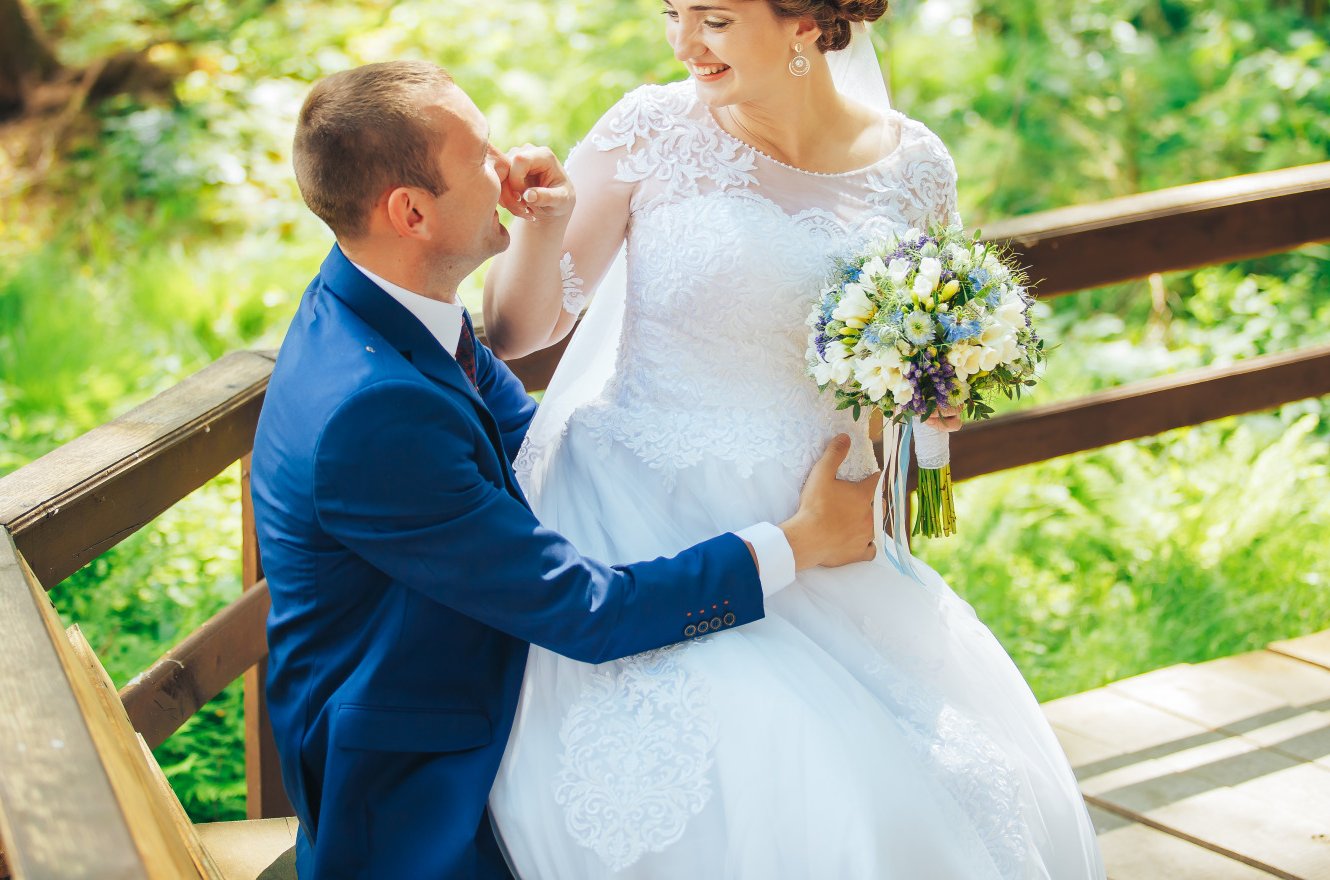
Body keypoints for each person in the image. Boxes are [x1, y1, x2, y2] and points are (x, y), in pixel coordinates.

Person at [482, 0, 1106, 879]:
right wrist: (541, 230)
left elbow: (919, 367)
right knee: (780, 764)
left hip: (827, 521)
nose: (684, 44)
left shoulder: (915, 167)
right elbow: (513, 334)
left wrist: (919, 450)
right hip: (642, 511)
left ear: (806, 23)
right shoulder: (651, 129)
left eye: (714, 19)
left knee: (934, 788)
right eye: (672, 12)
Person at [249, 58, 882, 880]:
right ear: (410, 212)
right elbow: (589, 615)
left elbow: (528, 435)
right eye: (479, 157)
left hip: (479, 656)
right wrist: (799, 541)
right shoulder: (374, 412)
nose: (511, 163)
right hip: (413, 786)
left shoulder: (383, 304)